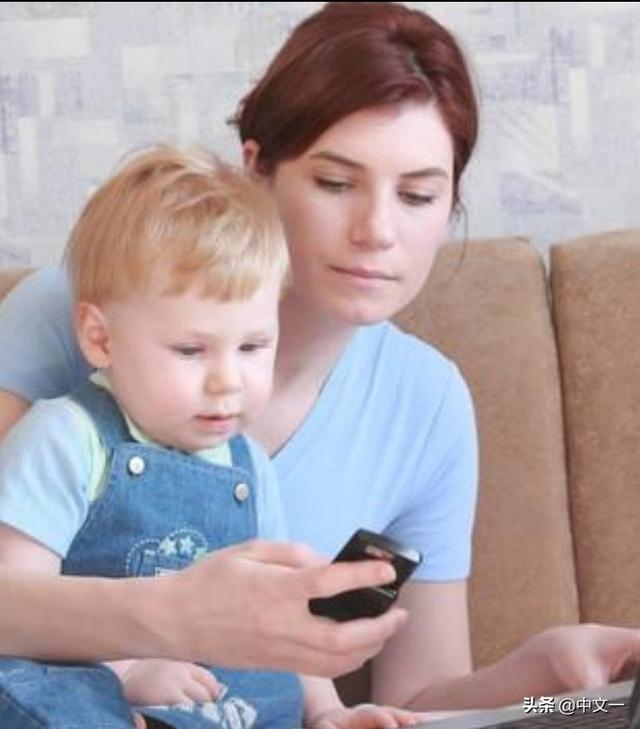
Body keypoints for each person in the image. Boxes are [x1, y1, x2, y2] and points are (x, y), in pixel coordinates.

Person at [0, 0, 639, 715]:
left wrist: (544, 670)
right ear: (256, 170)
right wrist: (171, 619)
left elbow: (416, 701)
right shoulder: (91, 306)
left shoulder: (426, 402)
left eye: (419, 194)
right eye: (336, 183)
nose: (377, 230)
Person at [0, 145, 422, 729]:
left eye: (252, 346)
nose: (228, 380)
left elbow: (286, 606)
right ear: (100, 338)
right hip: (97, 691)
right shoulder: (65, 438)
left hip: (220, 706)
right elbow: (16, 604)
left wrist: (328, 710)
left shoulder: (248, 464)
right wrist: (127, 669)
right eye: (191, 350)